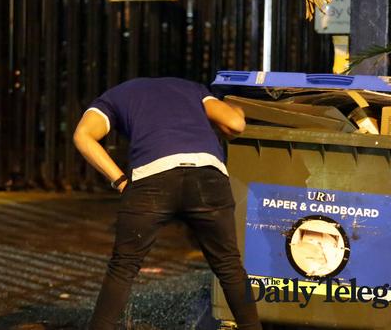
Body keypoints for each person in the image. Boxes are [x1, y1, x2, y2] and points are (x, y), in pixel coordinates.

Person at [73, 77, 262, 330]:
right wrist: (237, 109)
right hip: (207, 175)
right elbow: (235, 123)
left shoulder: (115, 96)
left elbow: (82, 135)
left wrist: (120, 181)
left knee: (123, 267)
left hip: (153, 176)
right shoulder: (192, 88)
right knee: (229, 266)